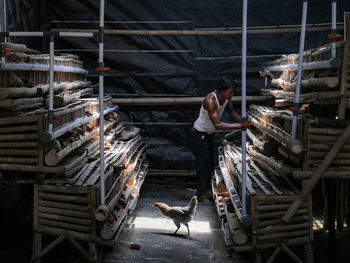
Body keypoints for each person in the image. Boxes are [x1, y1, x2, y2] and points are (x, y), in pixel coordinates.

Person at [192, 78, 241, 205]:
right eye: (230, 92)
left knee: (209, 164)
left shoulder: (226, 98)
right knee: (204, 166)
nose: (232, 95)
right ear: (221, 91)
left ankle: (201, 192)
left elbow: (232, 112)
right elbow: (218, 124)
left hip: (208, 134)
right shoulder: (210, 100)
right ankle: (201, 197)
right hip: (199, 134)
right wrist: (240, 126)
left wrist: (243, 121)